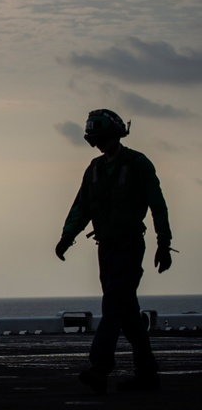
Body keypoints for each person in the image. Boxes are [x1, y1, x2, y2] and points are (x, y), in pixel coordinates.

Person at [55, 109, 173, 393]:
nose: (99, 144)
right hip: (105, 249)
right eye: (94, 140)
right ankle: (147, 374)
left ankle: (100, 368)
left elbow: (158, 206)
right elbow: (81, 206)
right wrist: (66, 236)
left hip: (129, 246)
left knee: (113, 305)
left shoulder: (138, 164)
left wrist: (163, 244)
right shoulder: (94, 169)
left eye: (103, 138)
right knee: (128, 314)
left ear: (116, 136)